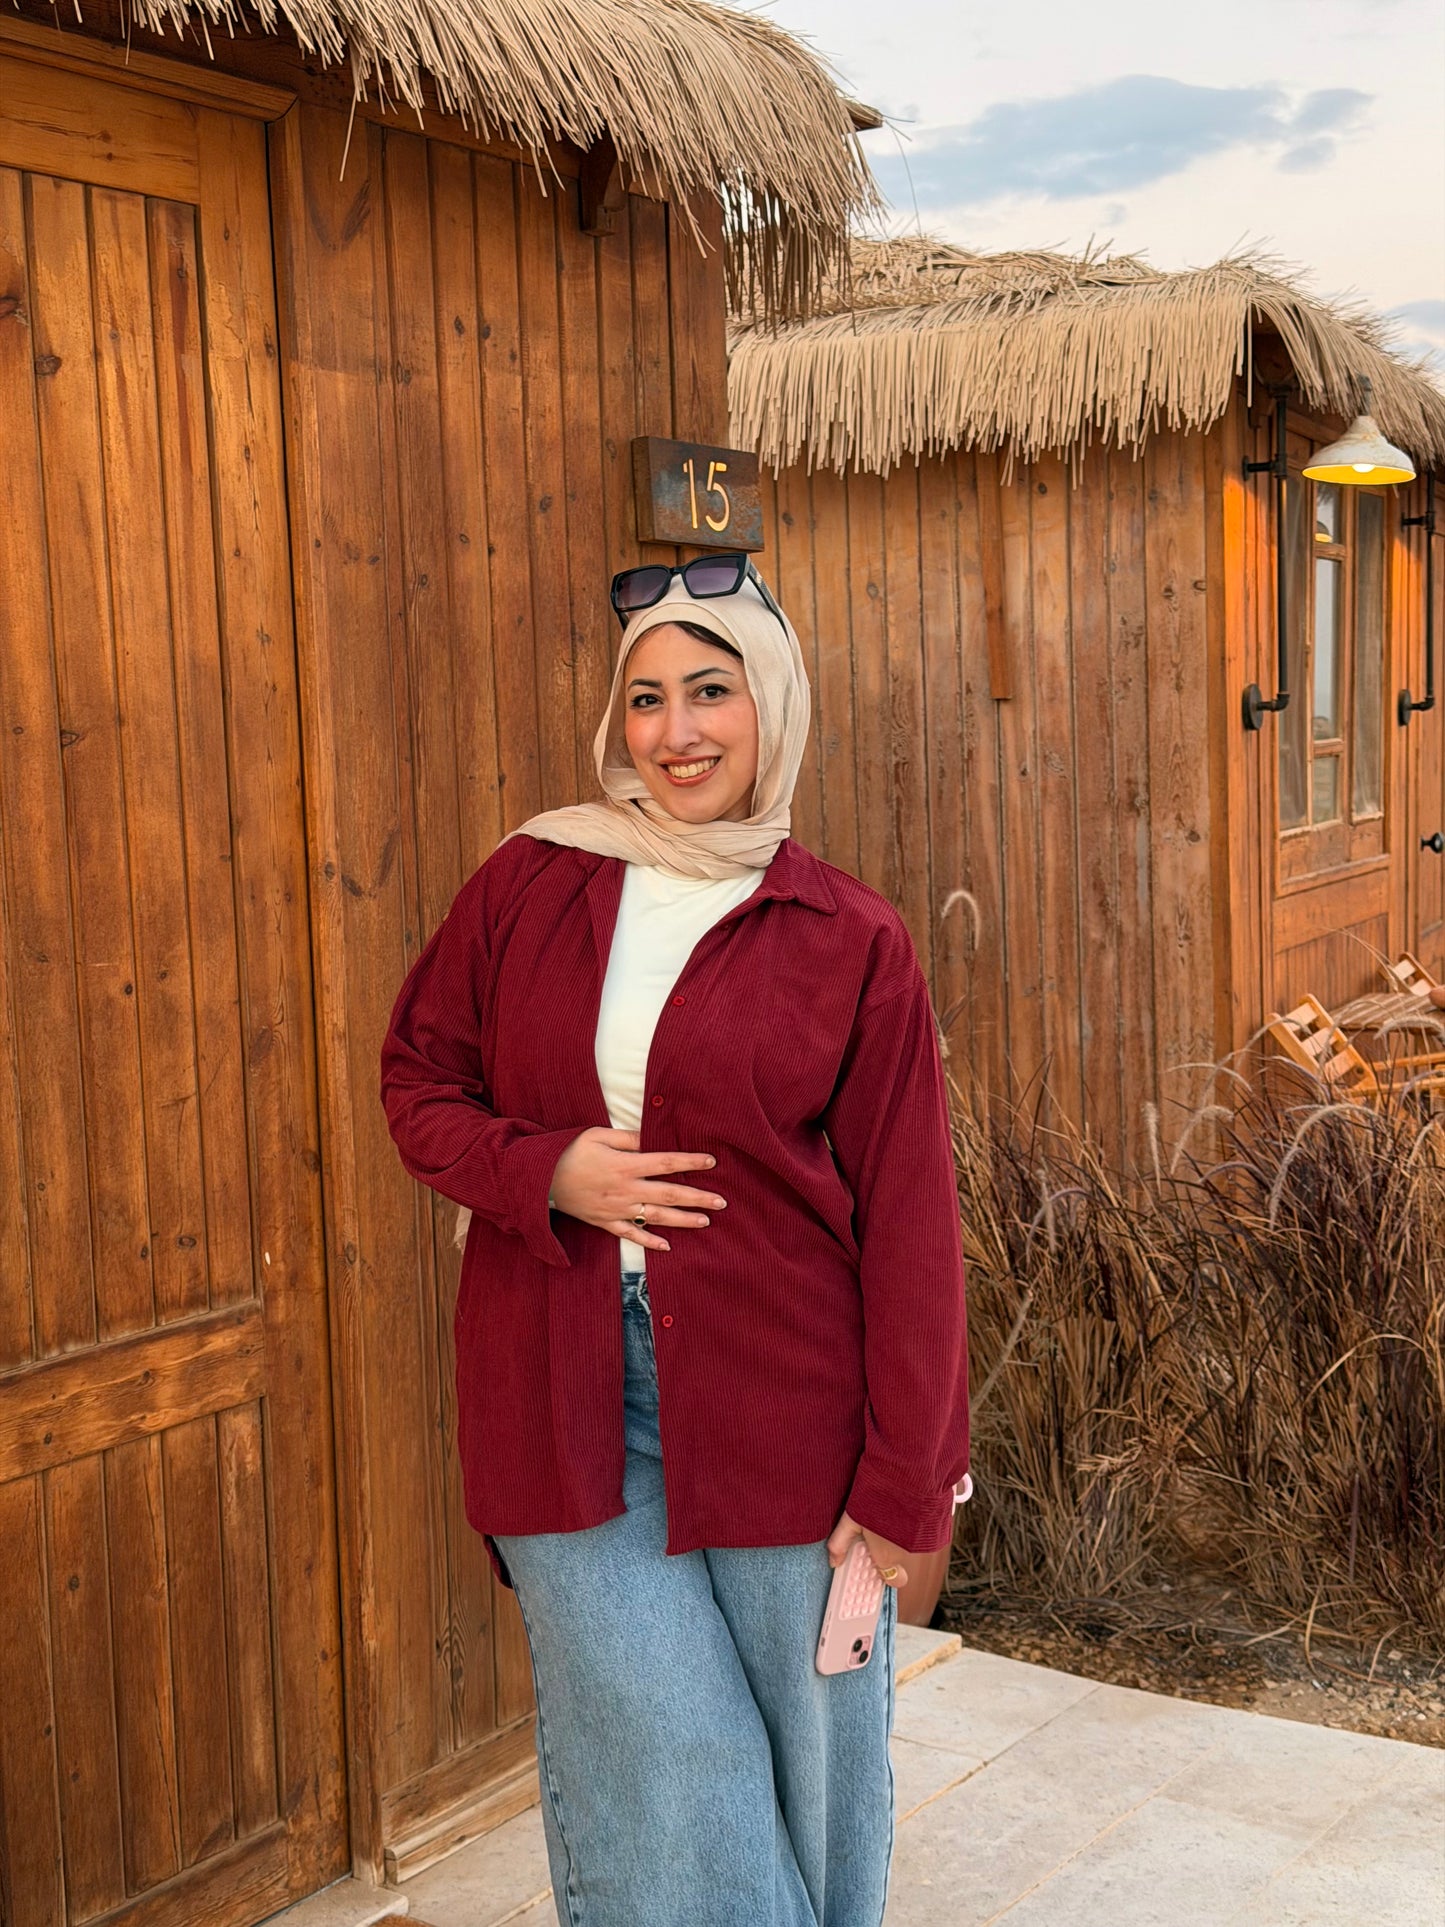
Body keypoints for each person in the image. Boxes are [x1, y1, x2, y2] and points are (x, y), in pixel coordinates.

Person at [380, 554, 969, 1927]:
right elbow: (418, 1083)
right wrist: (546, 1170)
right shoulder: (532, 881)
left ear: (771, 703)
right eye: (644, 700)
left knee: (815, 1775)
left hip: (790, 1409)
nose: (675, 731)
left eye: (710, 691)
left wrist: (903, 1482)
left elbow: (910, 1227)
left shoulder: (847, 937)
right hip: (560, 1394)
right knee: (669, 1756)